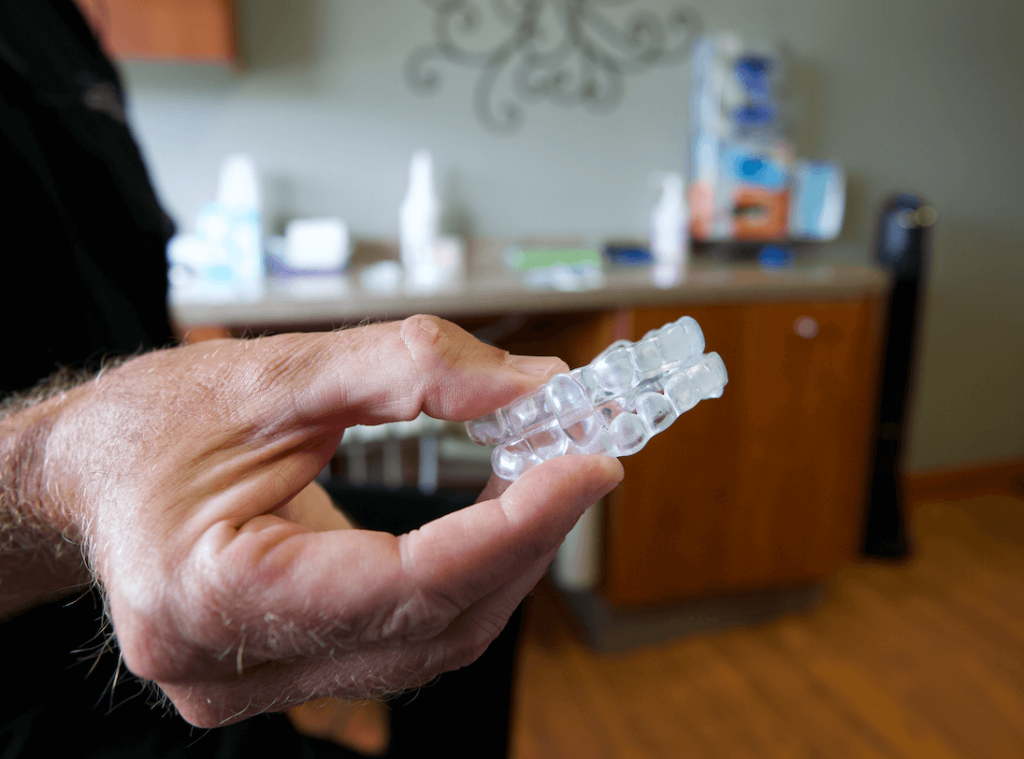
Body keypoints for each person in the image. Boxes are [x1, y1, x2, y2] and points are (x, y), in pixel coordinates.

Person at [0, 1, 623, 756]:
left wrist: (223, 386)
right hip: (41, 680)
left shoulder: (56, 26)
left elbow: (142, 292)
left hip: (181, 515)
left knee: (481, 560)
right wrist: (55, 469)